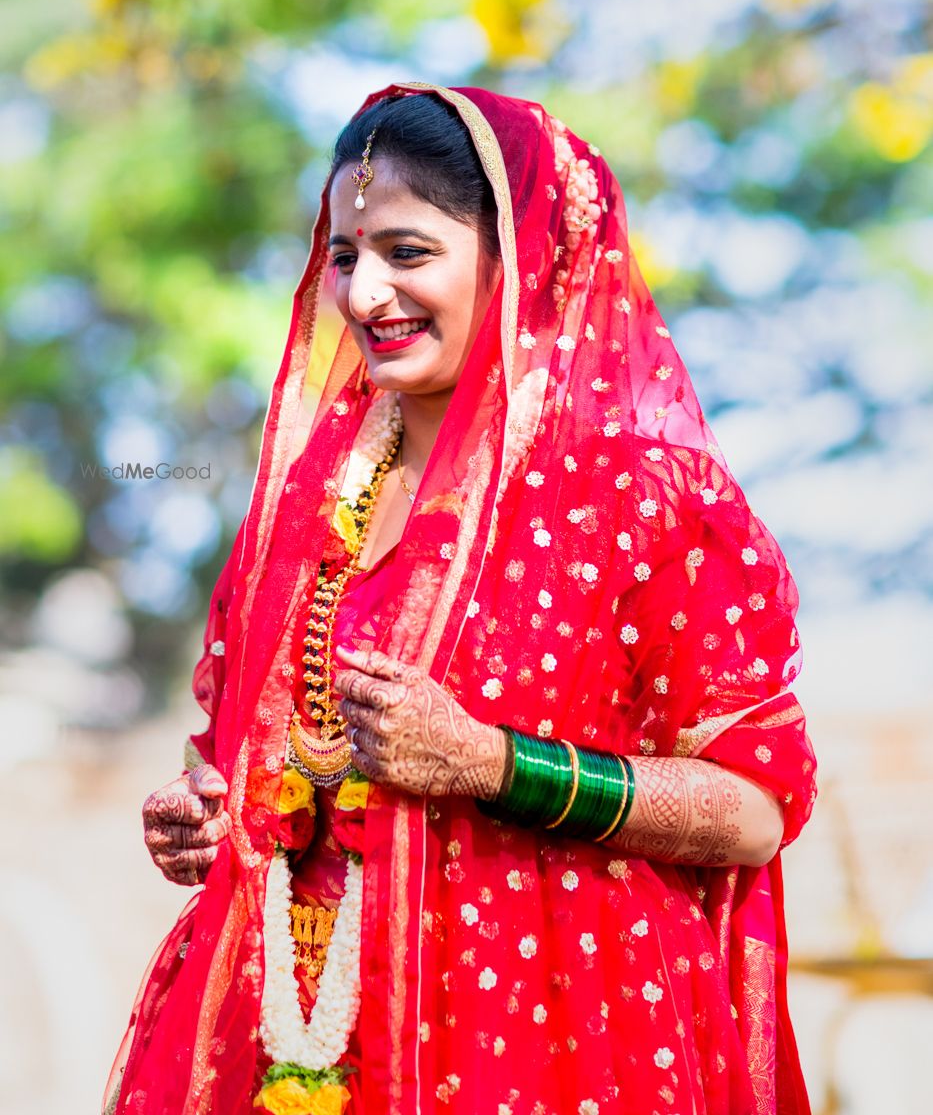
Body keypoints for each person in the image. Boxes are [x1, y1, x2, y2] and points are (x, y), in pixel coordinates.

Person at [104, 84, 817, 1115]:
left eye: (408, 250)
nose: (365, 294)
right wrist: (210, 818)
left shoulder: (641, 495)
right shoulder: (307, 497)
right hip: (292, 1020)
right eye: (346, 257)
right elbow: (256, 756)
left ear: (516, 252)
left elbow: (753, 809)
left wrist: (494, 762)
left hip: (556, 1031)